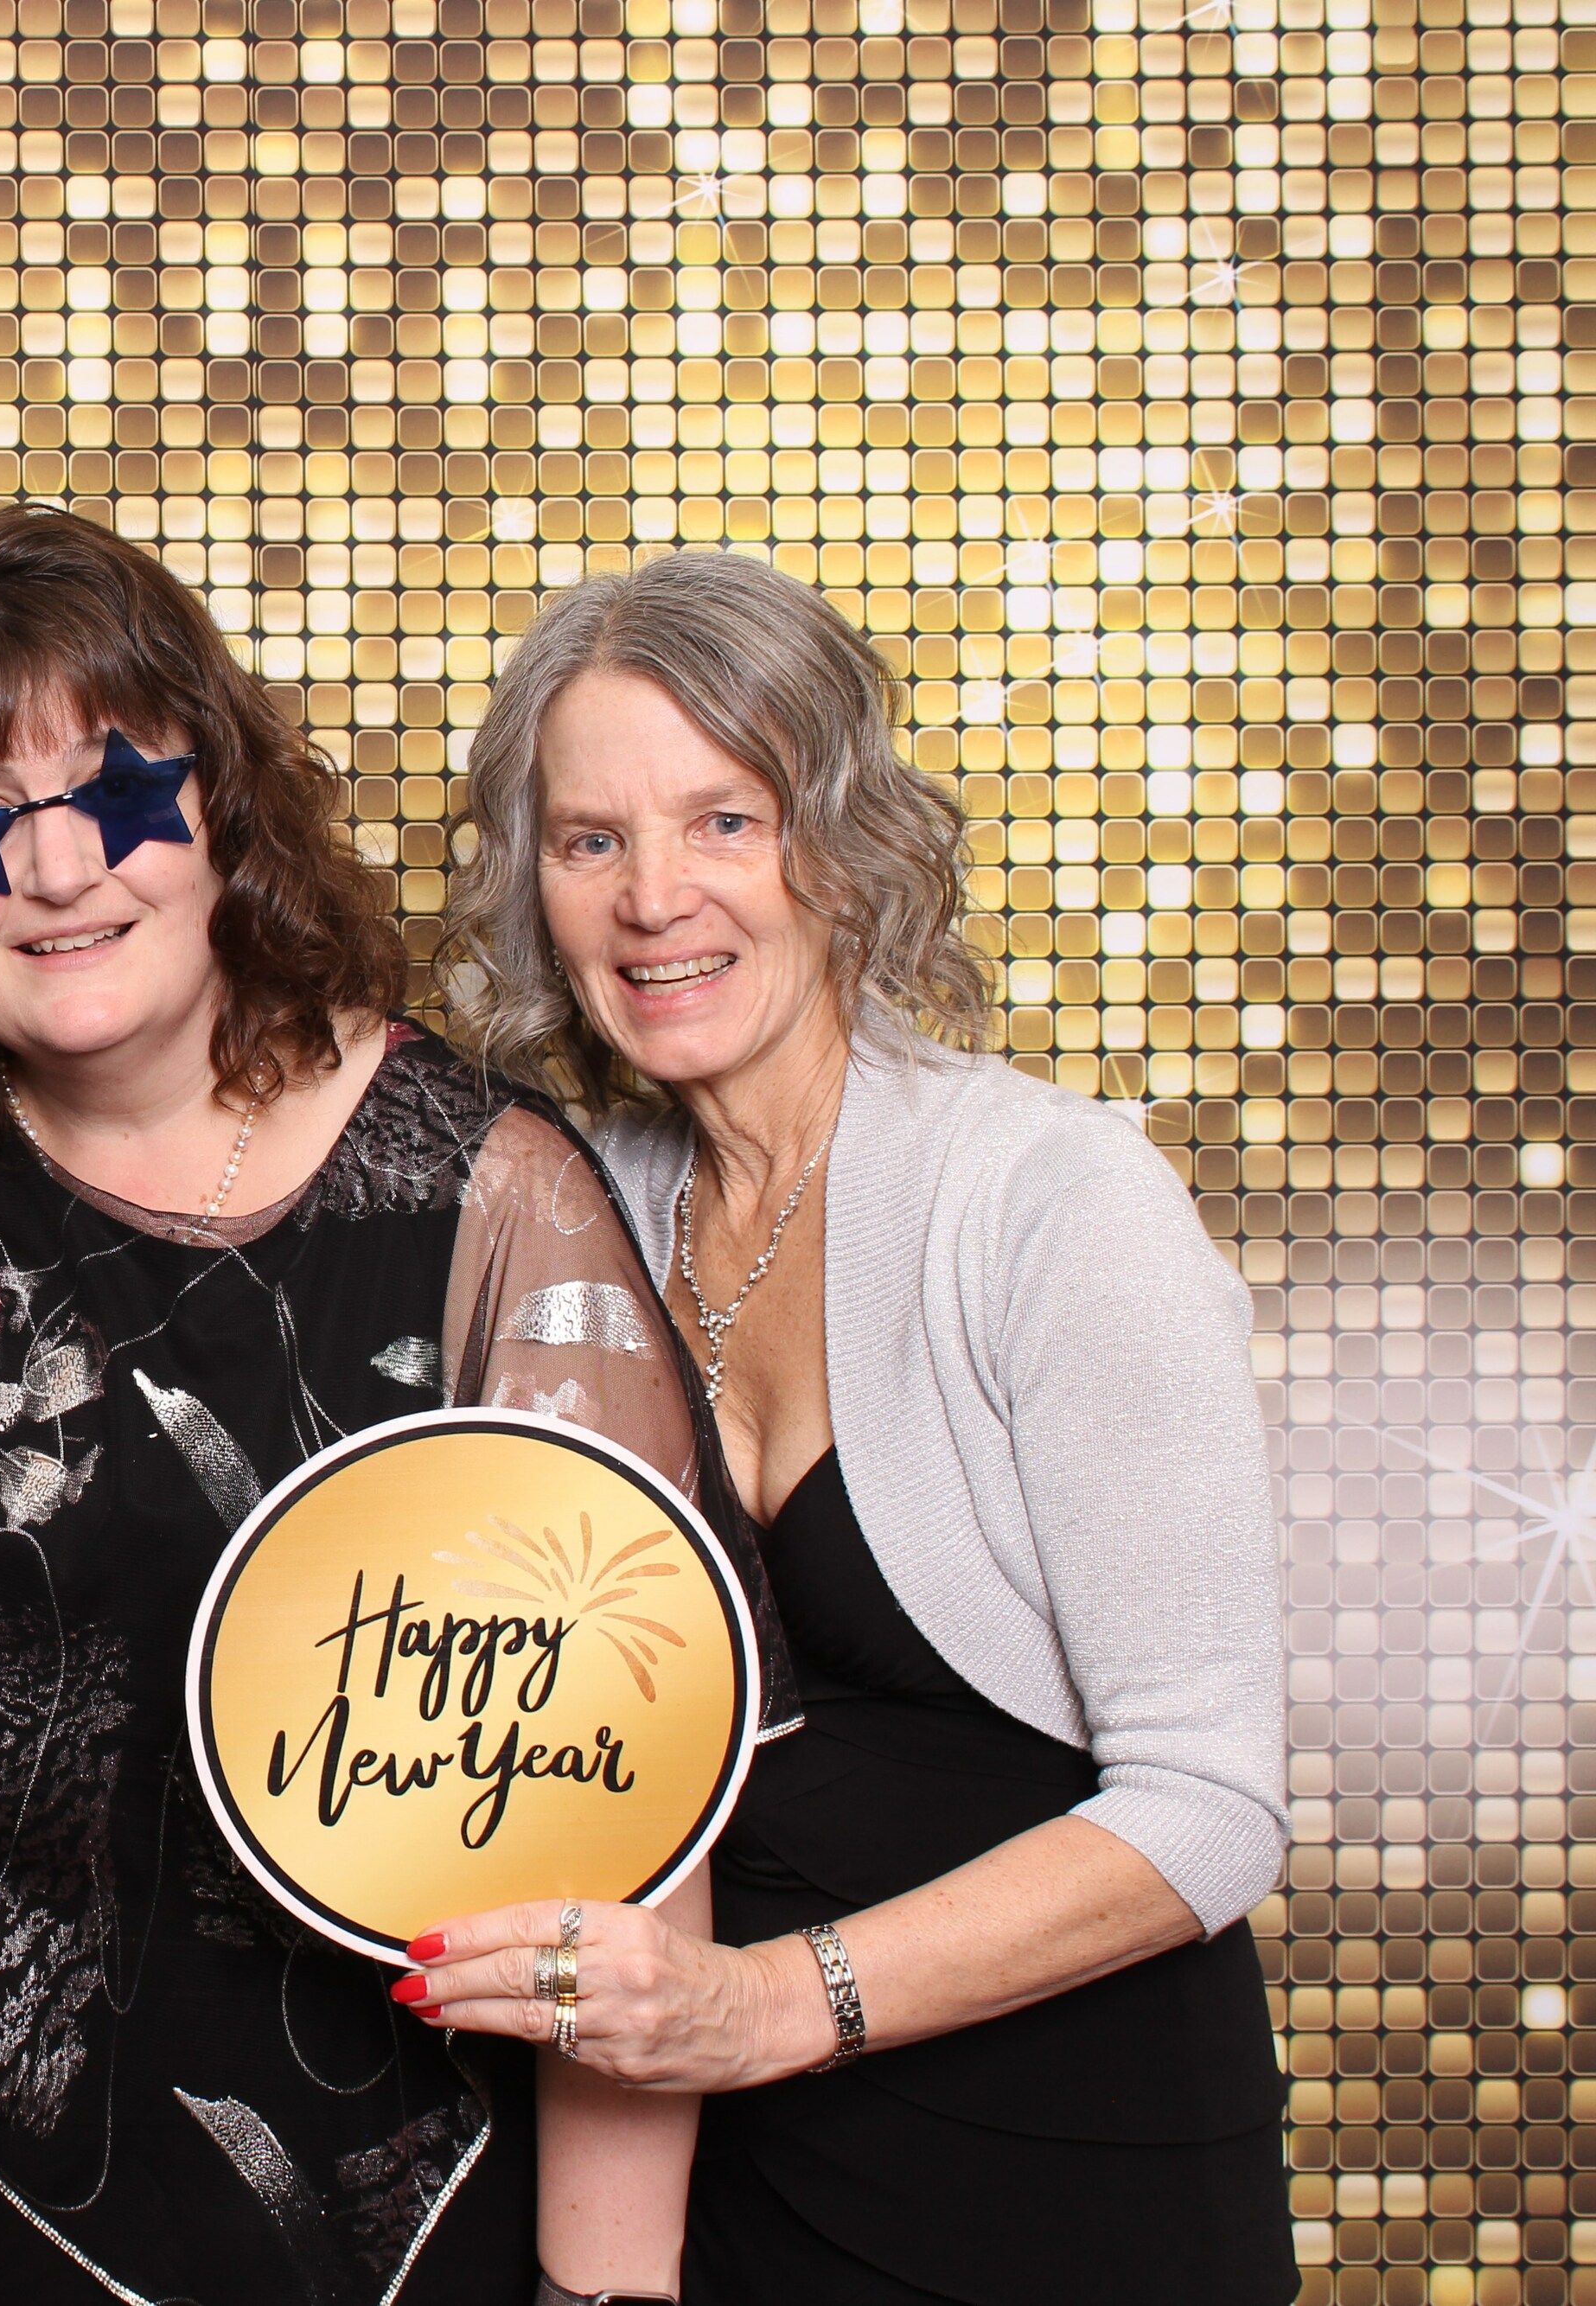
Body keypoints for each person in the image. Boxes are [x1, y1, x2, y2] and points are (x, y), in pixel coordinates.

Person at [0, 505, 780, 2304]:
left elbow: (630, 1824)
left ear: (223, 799)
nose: (57, 866)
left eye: (117, 788)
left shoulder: (483, 1194)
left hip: (397, 2231)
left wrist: (605, 2294)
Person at [405, 550, 1291, 2301]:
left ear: (840, 841)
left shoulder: (1049, 1200)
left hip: (1072, 2187)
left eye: (723, 821)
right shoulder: (561, 1209)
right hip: (711, 2193)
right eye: (589, 841)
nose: (655, 897)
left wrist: (763, 2005)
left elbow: (1210, 1805)